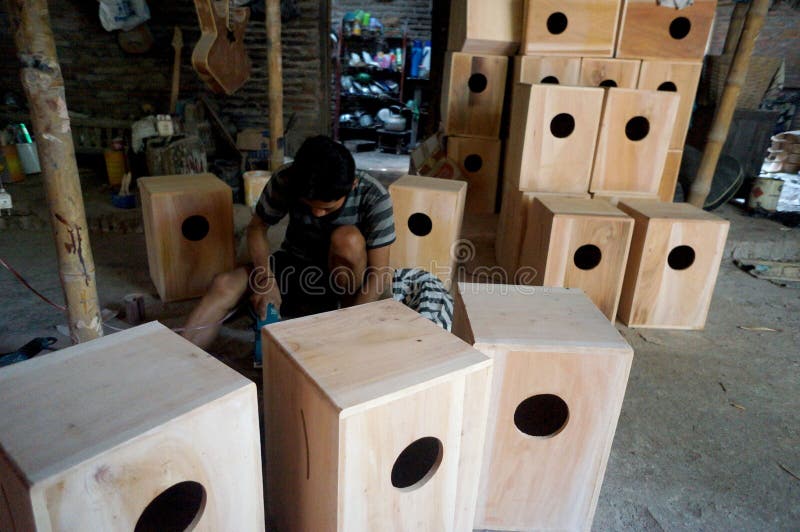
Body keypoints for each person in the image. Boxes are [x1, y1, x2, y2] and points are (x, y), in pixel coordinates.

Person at [183, 135, 396, 349]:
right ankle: (182, 362)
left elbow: (379, 274)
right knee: (223, 285)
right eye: (309, 204)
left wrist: (350, 323)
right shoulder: (287, 179)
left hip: (343, 280)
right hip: (295, 264)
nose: (317, 213)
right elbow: (257, 228)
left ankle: (341, 311)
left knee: (347, 239)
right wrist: (266, 279)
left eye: (327, 208)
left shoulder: (374, 196)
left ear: (352, 185)